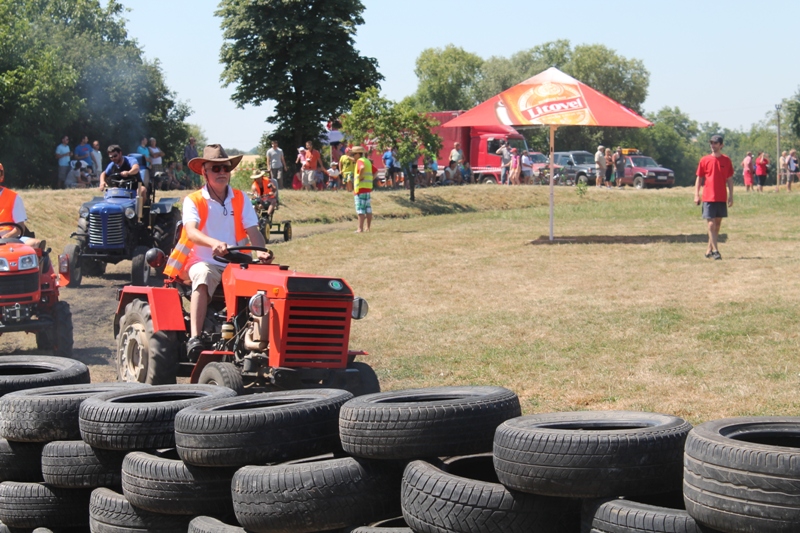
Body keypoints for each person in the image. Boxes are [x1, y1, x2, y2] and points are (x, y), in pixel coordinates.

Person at [163, 144, 273, 358]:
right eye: (216, 168)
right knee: (204, 274)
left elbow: (253, 230)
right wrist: (214, 243)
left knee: (269, 284)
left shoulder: (241, 198)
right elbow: (191, 232)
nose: (222, 172)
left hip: (237, 264)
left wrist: (261, 251)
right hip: (201, 262)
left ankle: (261, 340)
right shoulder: (193, 200)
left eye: (226, 168)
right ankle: (195, 338)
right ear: (204, 172)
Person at [694, 134, 733, 260]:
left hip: (721, 196)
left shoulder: (726, 160)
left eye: (715, 143)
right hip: (708, 197)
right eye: (711, 143)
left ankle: (709, 249)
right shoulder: (704, 160)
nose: (713, 145)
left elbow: (729, 179)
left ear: (721, 145)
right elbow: (699, 178)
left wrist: (731, 195)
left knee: (717, 224)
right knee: (711, 224)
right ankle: (716, 250)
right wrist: (696, 194)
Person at [0, 163, 45, 250]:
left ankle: (40, 259)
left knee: (36, 244)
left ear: (1, 176)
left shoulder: (13, 197)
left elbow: (20, 228)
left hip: (9, 237)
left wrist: (6, 237)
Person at [351, 146, 373, 233]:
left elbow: (362, 168)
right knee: (368, 209)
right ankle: (368, 228)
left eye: (353, 154)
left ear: (357, 154)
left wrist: (360, 177)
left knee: (360, 210)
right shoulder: (367, 161)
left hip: (360, 189)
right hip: (367, 188)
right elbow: (375, 171)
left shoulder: (360, 161)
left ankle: (360, 229)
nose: (352, 156)